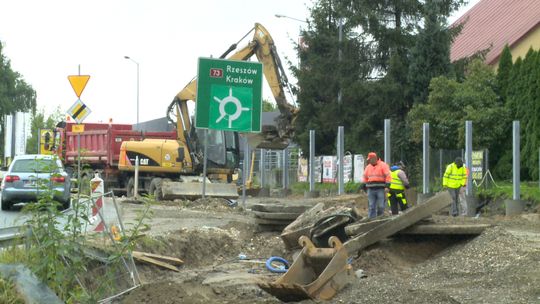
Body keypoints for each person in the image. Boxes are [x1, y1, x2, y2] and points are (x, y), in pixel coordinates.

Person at [363, 152, 391, 218]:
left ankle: (380, 218)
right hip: (370, 189)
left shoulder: (383, 165)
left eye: (370, 159)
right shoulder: (368, 167)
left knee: (381, 206)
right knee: (371, 206)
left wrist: (387, 186)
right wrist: (363, 188)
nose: (369, 161)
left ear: (374, 158)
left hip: (380, 189)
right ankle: (371, 220)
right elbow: (365, 178)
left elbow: (388, 176)